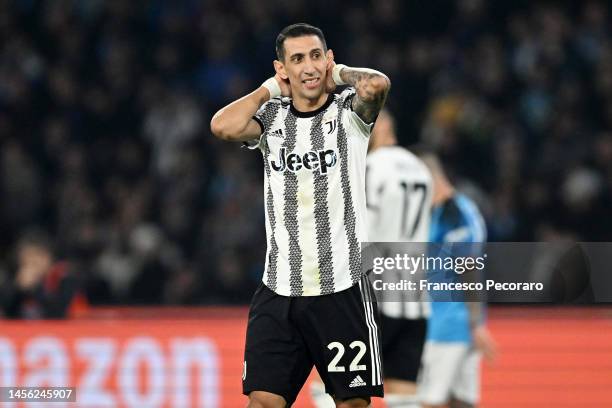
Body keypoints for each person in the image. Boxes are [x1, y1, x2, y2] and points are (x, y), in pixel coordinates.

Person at [210, 23, 391, 408]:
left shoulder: (348, 114)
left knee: (353, 405)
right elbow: (221, 126)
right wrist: (270, 89)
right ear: (282, 68)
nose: (307, 67)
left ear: (327, 59)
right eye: (296, 60)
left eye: (314, 56)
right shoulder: (272, 118)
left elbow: (376, 85)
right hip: (279, 290)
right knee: (261, 403)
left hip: (341, 287)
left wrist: (337, 74)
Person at [311, 109, 433, 408]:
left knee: (332, 382)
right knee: (404, 392)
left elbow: (365, 233)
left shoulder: (370, 168)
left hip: (375, 297)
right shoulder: (421, 169)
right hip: (415, 299)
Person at [416, 152, 497, 408]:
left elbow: (469, 268)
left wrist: (475, 324)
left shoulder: (458, 214)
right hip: (452, 324)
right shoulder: (440, 213)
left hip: (448, 326)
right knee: (460, 402)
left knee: (429, 401)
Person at [2, 229, 88, 319]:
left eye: (37, 256)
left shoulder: (64, 279)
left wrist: (35, 288)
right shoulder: (13, 279)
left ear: (49, 258)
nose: (33, 262)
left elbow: (58, 313)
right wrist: (18, 289)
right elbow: (7, 313)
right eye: (28, 257)